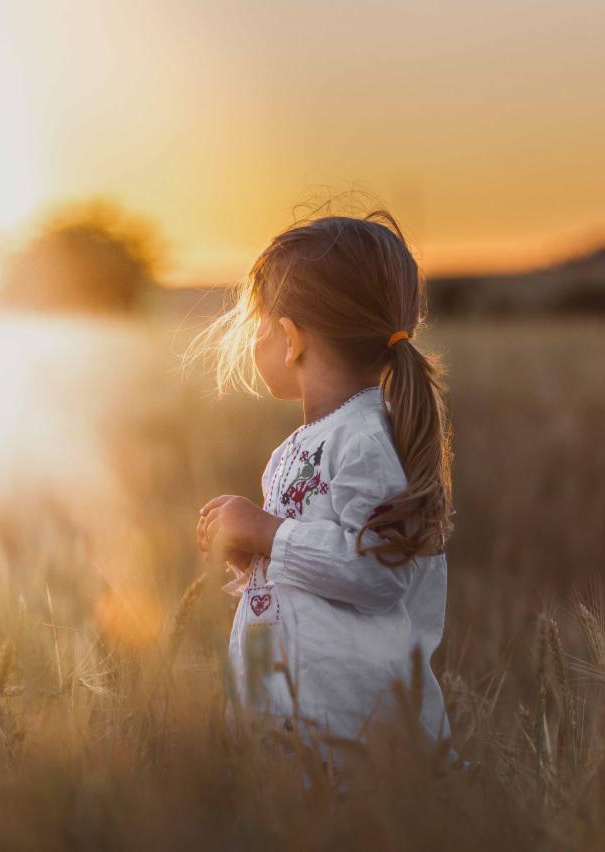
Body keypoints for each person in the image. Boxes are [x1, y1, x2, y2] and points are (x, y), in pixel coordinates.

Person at [189, 209, 457, 769]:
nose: (255, 340)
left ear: (290, 340)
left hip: (349, 738)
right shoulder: (303, 446)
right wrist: (252, 554)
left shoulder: (363, 440)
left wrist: (269, 533)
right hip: (289, 721)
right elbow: (313, 572)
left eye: (260, 325)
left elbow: (377, 573)